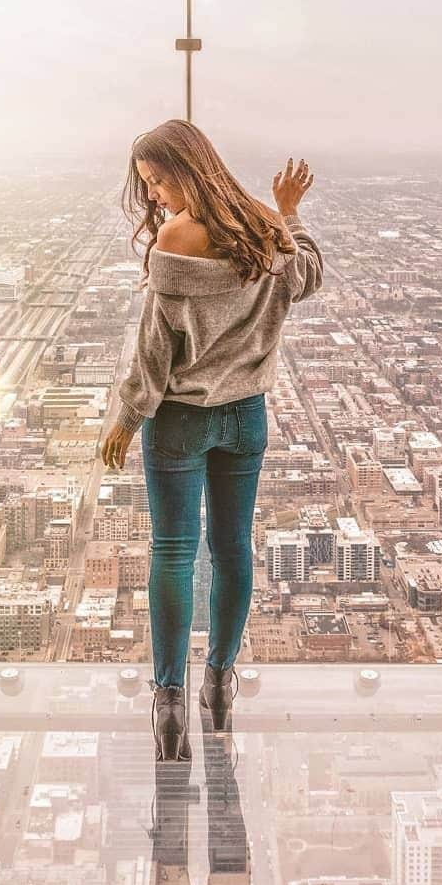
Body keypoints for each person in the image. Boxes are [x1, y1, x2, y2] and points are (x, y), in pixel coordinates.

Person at [99, 119, 323, 761]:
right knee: (232, 549)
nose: (156, 195)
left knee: (173, 553)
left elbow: (154, 350)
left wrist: (126, 417)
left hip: (180, 419)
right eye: (148, 184)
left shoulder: (178, 237)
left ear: (189, 168)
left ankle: (169, 699)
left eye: (160, 179)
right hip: (246, 416)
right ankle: (220, 683)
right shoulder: (262, 222)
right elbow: (306, 278)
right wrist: (288, 213)